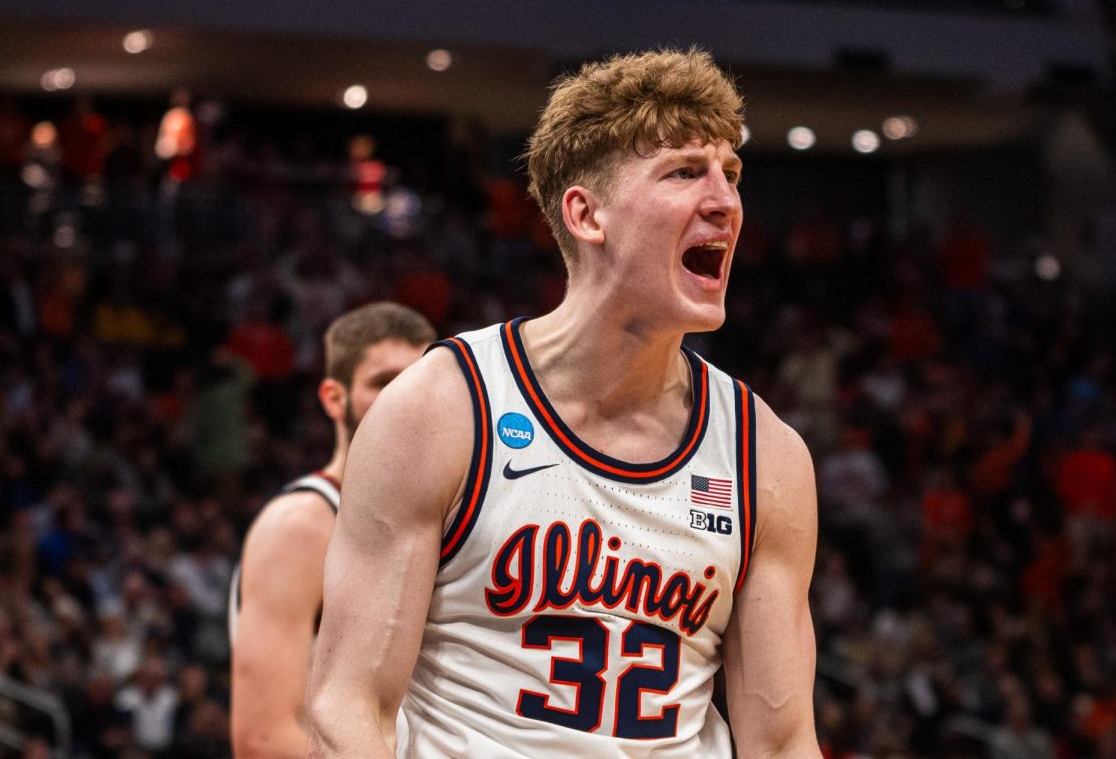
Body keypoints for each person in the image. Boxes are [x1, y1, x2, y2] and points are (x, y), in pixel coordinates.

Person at [308, 49, 820, 757]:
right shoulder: (445, 406)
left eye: (730, 175)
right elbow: (347, 707)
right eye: (684, 173)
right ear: (586, 214)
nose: (724, 201)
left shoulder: (767, 455)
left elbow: (784, 743)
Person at [229, 302, 435, 757]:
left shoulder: (438, 517)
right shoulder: (302, 525)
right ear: (333, 398)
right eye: (383, 382)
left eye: (419, 381)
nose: (405, 397)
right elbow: (264, 739)